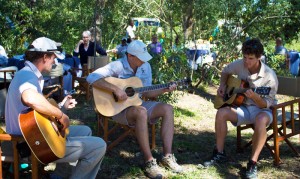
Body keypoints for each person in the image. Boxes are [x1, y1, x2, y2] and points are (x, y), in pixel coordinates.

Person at [5, 37, 106, 179]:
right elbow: (29, 98)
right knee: (99, 146)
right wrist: (60, 114)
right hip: (28, 143)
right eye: (53, 58)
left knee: (85, 130)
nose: (55, 62)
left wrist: (61, 106)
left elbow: (35, 115)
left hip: (33, 136)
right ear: (45, 57)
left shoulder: (28, 74)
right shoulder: (27, 75)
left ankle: (60, 175)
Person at [86, 40, 182, 179]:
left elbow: (147, 92)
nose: (144, 60)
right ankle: (149, 161)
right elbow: (92, 77)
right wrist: (116, 89)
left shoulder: (146, 66)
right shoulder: (117, 65)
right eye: (140, 57)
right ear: (130, 56)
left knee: (167, 108)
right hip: (118, 109)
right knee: (141, 111)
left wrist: (165, 89)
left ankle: (167, 156)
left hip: (137, 104)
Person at [203, 39, 278, 179]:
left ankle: (252, 163)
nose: (246, 61)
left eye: (250, 58)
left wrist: (255, 97)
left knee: (261, 119)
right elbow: (225, 71)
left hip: (262, 109)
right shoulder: (240, 64)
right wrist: (222, 86)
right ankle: (219, 153)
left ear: (259, 57)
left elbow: (265, 104)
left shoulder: (269, 77)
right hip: (242, 106)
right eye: (244, 57)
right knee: (221, 113)